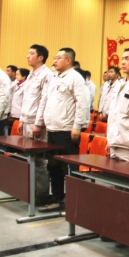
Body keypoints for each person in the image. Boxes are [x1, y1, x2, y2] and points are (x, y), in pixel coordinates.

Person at [37, 48, 89, 212]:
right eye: (54, 57)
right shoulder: (54, 78)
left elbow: (82, 103)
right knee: (53, 166)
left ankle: (75, 201)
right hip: (52, 129)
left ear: (68, 60)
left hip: (67, 130)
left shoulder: (75, 78)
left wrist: (77, 126)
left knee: (69, 168)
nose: (55, 60)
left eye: (58, 58)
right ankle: (58, 198)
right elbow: (47, 101)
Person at [18, 45, 52, 199]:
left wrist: (38, 123)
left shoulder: (47, 75)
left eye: (31, 53)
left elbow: (44, 100)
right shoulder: (31, 74)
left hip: (36, 123)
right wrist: (21, 119)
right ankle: (30, 191)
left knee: (39, 160)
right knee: (28, 158)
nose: (27, 56)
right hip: (27, 120)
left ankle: (41, 194)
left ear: (40, 57)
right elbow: (26, 99)